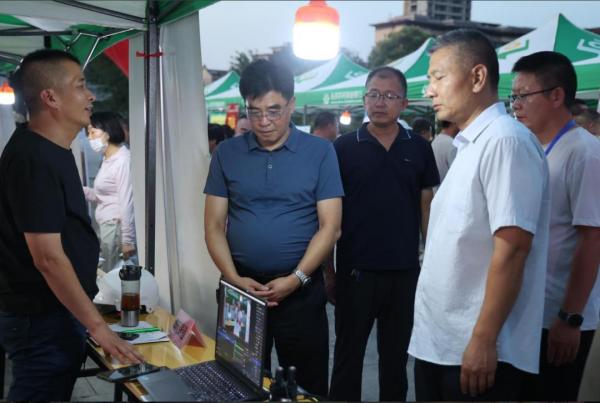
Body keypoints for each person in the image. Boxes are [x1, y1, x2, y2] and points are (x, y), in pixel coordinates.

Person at [407, 29, 551, 401]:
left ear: (477, 77)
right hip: (443, 343)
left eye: (438, 77)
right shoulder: (472, 143)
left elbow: (513, 249)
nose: (429, 90)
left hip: (474, 349)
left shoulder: (506, 140)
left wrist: (485, 338)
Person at [0, 49, 142, 401]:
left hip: (53, 314)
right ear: (50, 97)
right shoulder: (34, 157)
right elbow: (48, 257)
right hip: (40, 318)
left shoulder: (52, 149)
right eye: (80, 86)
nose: (90, 95)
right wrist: (98, 327)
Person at [203, 59, 343, 396]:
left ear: (292, 104)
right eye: (254, 112)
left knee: (306, 387)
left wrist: (295, 279)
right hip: (241, 289)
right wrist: (233, 278)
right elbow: (213, 225)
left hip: (301, 291)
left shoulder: (320, 152)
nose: (263, 121)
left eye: (274, 111)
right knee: (238, 383)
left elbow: (331, 227)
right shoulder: (227, 153)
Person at [329, 66, 439, 401]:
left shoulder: (419, 147)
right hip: (355, 272)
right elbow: (329, 216)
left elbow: (426, 208)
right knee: (348, 357)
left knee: (396, 362)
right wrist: (327, 271)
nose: (380, 102)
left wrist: (432, 266)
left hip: (404, 273)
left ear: (404, 103)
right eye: (374, 94)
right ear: (364, 99)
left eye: (390, 96)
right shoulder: (343, 147)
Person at [511, 51, 600, 400]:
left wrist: (571, 317)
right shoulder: (531, 145)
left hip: (560, 317)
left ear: (556, 95)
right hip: (530, 311)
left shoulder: (584, 153)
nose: (516, 105)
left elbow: (592, 239)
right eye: (513, 96)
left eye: (523, 95)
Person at [83, 111, 137, 272]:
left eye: (93, 132)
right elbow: (102, 195)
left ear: (107, 133)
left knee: (113, 274)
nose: (89, 138)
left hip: (115, 227)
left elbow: (127, 201)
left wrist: (127, 240)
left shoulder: (123, 160)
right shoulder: (108, 159)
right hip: (107, 225)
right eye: (88, 133)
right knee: (109, 272)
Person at [430, 120, 459, 189]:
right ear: (452, 124)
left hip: (436, 190)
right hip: (446, 189)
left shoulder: (436, 140)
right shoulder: (451, 144)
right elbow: (457, 173)